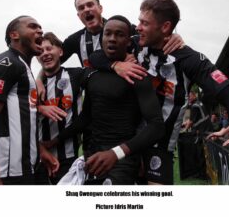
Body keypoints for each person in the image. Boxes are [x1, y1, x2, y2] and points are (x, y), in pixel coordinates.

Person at [90, 0, 229, 185]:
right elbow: (96, 56)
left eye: (144, 23)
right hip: (127, 141)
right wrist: (116, 65)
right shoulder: (135, 44)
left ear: (165, 27)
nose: (138, 27)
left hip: (159, 147)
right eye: (139, 21)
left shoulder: (189, 59)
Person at [58, 15, 165, 185]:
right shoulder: (93, 75)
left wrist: (117, 153)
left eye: (119, 34)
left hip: (122, 160)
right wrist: (54, 140)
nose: (112, 39)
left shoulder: (138, 76)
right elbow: (86, 117)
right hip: (92, 158)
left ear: (129, 42)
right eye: (107, 34)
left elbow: (156, 126)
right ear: (102, 38)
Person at [0, 16, 59, 185]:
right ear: (14, 35)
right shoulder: (7, 63)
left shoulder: (24, 67)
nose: (40, 31)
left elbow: (24, 119)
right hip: (8, 172)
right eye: (33, 27)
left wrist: (39, 150)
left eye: (41, 29)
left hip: (29, 166)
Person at [35, 32, 85, 184]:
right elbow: (23, 116)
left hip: (68, 158)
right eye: (41, 51)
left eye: (49, 49)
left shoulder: (76, 75)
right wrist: (39, 107)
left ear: (61, 52)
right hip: (38, 158)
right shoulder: (30, 83)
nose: (45, 53)